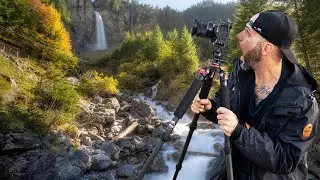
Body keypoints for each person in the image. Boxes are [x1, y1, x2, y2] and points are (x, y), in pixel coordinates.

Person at [191, 10, 319, 180]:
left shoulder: (303, 101)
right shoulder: (240, 73)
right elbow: (227, 113)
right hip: (229, 171)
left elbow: (286, 160)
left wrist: (239, 131)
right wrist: (210, 108)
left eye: (247, 33)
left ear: (266, 48)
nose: (238, 36)